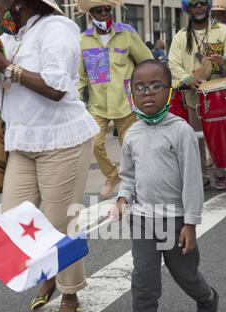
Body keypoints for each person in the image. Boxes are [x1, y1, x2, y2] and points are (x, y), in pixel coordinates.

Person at [0, 0, 99, 312]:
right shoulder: (13, 38)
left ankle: (69, 292)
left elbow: (57, 89)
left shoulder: (58, 29)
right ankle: (48, 274)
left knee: (59, 223)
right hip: (22, 142)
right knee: (14, 220)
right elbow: (6, 86)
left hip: (63, 140)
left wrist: (5, 65)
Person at [109, 60, 219, 312]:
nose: (147, 93)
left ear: (168, 91)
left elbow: (192, 182)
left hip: (175, 221)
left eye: (155, 86)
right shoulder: (132, 133)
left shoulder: (181, 131)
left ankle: (207, 298)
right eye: (139, 87)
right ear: (132, 93)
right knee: (143, 280)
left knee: (186, 276)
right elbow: (128, 176)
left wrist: (191, 223)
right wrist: (122, 199)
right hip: (143, 220)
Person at [77, 0, 153, 198]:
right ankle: (111, 176)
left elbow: (146, 61)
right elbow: (81, 76)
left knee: (129, 146)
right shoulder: (83, 40)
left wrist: (144, 90)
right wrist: (75, 103)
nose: (103, 13)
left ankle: (134, 184)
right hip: (98, 105)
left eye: (106, 9)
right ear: (90, 14)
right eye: (97, 10)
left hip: (125, 103)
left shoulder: (126, 33)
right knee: (93, 143)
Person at [169, 0, 226, 190]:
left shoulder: (223, 31)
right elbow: (173, 64)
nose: (198, 7)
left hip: (219, 95)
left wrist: (224, 59)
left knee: (218, 135)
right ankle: (201, 175)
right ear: (187, 9)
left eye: (202, 3)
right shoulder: (180, 37)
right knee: (196, 138)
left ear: (207, 6)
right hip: (194, 97)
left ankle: (219, 171)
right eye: (193, 4)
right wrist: (187, 79)